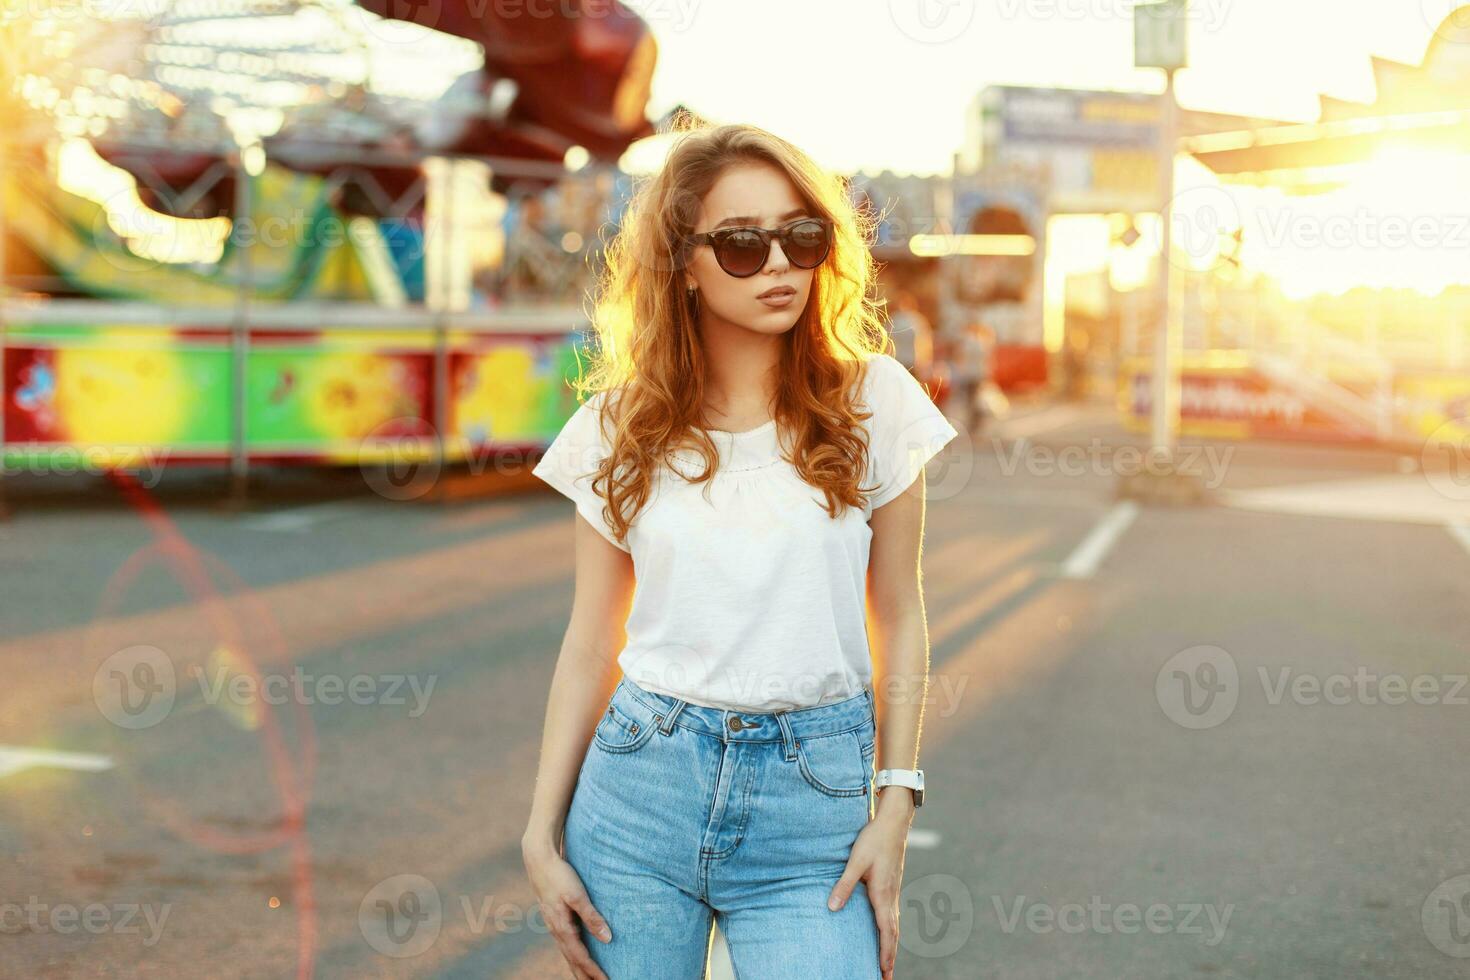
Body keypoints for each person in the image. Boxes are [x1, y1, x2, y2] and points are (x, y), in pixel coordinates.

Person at [522, 122, 957, 980]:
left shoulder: (875, 400)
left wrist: (895, 803)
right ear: (682, 263)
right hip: (639, 795)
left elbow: (901, 615)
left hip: (815, 807)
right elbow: (587, 645)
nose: (781, 265)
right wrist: (541, 831)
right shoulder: (617, 429)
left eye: (801, 236)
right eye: (742, 245)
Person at [886, 289, 934, 384]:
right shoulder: (917, 320)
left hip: (901, 362)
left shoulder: (894, 320)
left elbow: (886, 343)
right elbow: (926, 343)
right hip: (910, 362)